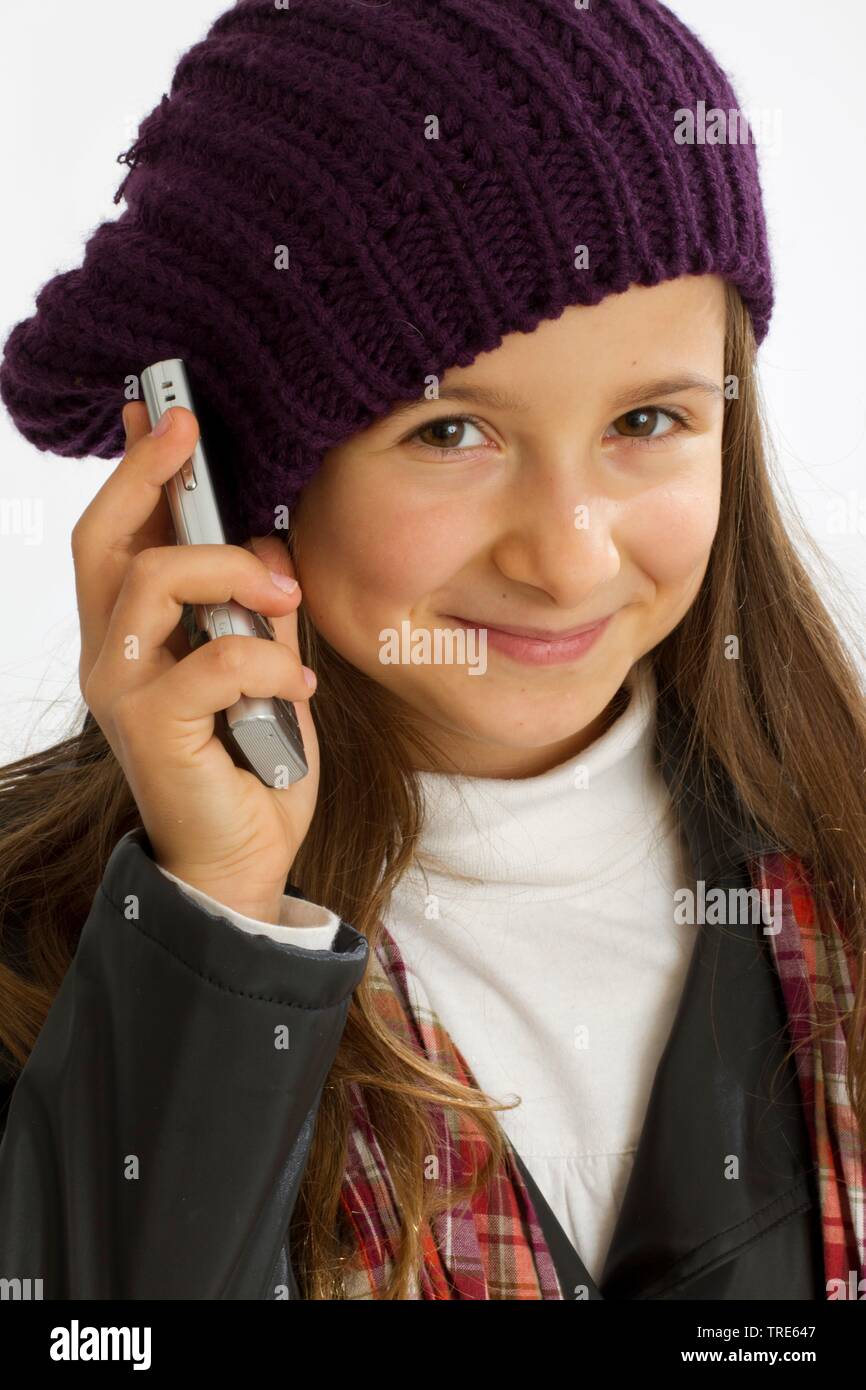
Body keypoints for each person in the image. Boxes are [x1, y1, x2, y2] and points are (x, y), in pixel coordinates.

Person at [0, 0, 863, 1301]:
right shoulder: (56, 962)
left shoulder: (838, 855)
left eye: (646, 417)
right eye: (449, 433)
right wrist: (217, 923)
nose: (566, 556)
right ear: (229, 474)